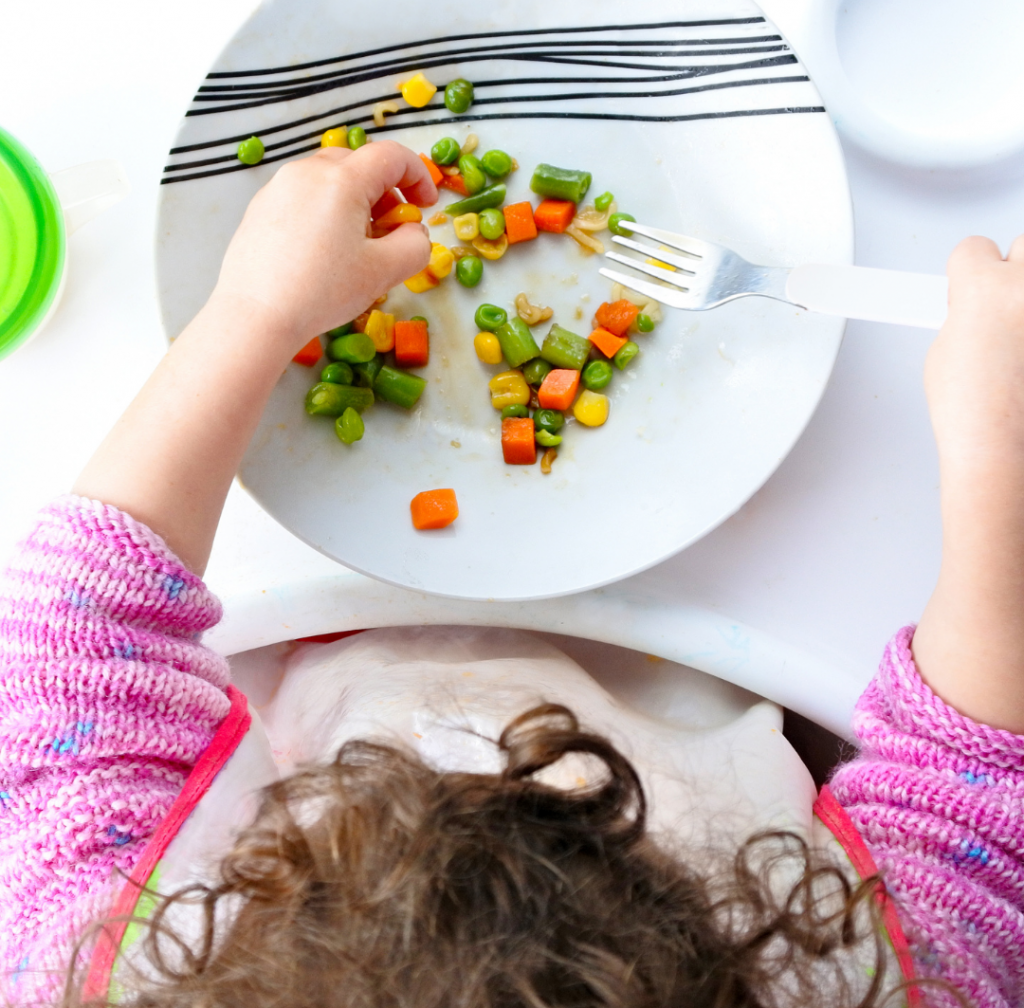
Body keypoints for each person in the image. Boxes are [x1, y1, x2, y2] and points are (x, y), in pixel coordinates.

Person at [0, 139, 1022, 1008]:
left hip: (320, 664)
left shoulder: (93, 956)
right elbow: (973, 790)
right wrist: (996, 461)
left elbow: (69, 641)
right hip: (718, 677)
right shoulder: (887, 976)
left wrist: (253, 316)